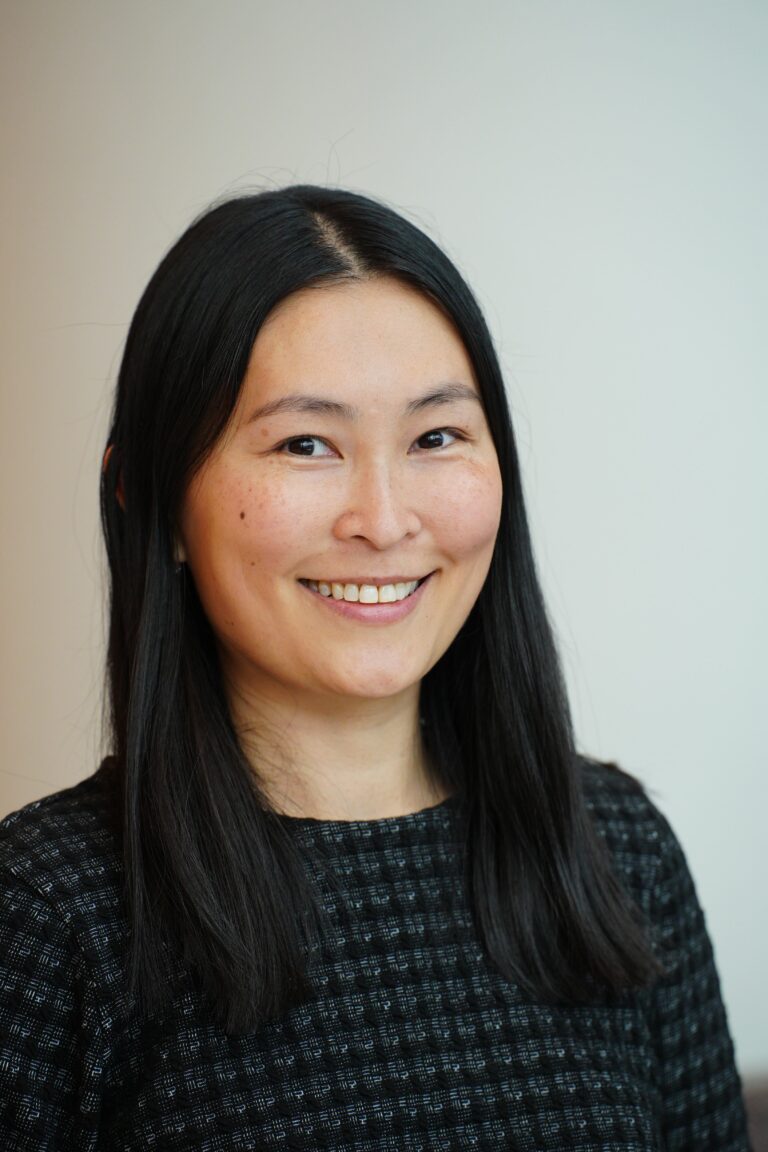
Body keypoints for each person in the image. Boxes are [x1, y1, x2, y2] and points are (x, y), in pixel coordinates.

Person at [0, 185, 752, 1150]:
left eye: (436, 437)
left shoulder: (619, 852)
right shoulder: (48, 912)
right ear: (150, 497)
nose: (385, 521)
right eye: (306, 443)